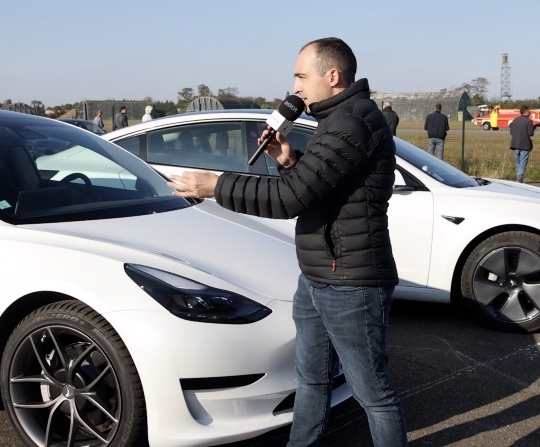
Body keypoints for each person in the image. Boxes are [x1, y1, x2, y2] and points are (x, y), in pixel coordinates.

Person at [166, 37, 407, 447]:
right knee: (310, 379)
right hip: (317, 275)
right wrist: (288, 159)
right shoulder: (336, 119)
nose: (294, 87)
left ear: (332, 76)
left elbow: (289, 200)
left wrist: (216, 184)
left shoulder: (354, 121)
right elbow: (316, 188)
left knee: (372, 393)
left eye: (301, 76)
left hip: (351, 282)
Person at [509, 105, 536, 183]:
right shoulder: (528, 121)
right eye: (529, 111)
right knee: (523, 161)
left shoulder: (515, 120)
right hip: (525, 144)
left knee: (518, 161)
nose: (530, 113)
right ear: (526, 112)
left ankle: (518, 176)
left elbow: (511, 132)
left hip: (515, 143)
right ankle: (519, 177)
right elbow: (531, 133)